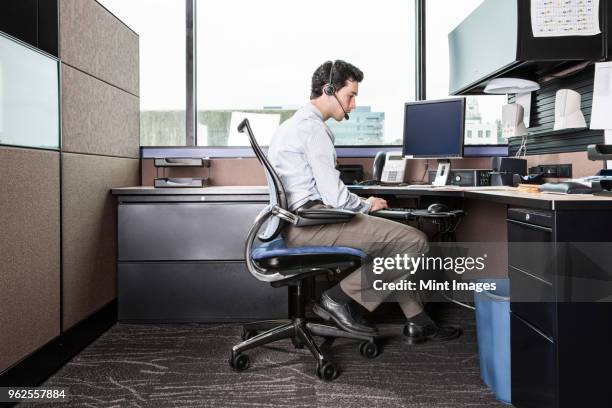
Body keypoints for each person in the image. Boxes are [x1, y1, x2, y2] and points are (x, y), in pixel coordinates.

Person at [267, 60, 461, 344]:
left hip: (295, 224)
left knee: (393, 244)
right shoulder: (313, 129)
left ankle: (419, 321)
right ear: (329, 90)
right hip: (309, 225)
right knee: (413, 242)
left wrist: (362, 204)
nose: (354, 104)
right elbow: (335, 197)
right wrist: (366, 204)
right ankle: (337, 299)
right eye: (351, 95)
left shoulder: (292, 125)